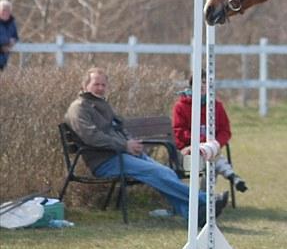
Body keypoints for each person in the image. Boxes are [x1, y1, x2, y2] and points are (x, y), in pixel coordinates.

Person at [64, 67, 227, 227]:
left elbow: (119, 127)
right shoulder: (78, 109)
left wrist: (132, 143)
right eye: (96, 84)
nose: (100, 88)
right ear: (85, 86)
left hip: (122, 155)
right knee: (157, 172)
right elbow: (92, 137)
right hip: (105, 161)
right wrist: (125, 145)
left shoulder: (102, 104)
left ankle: (193, 214)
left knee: (166, 172)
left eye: (103, 85)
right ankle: (206, 201)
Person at [172, 71, 249, 193]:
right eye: (198, 83)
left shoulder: (217, 106)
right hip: (188, 150)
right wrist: (202, 142)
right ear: (191, 86)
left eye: (205, 83)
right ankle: (231, 177)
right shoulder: (181, 107)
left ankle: (206, 198)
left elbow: (225, 131)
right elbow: (179, 132)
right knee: (211, 156)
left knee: (211, 155)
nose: (202, 86)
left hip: (210, 149)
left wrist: (215, 144)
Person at [0, 0, 19, 71]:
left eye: (8, 10)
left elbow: (16, 36)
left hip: (4, 59)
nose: (6, 12)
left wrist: (13, 41)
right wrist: (7, 41)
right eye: (3, 10)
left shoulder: (12, 22)